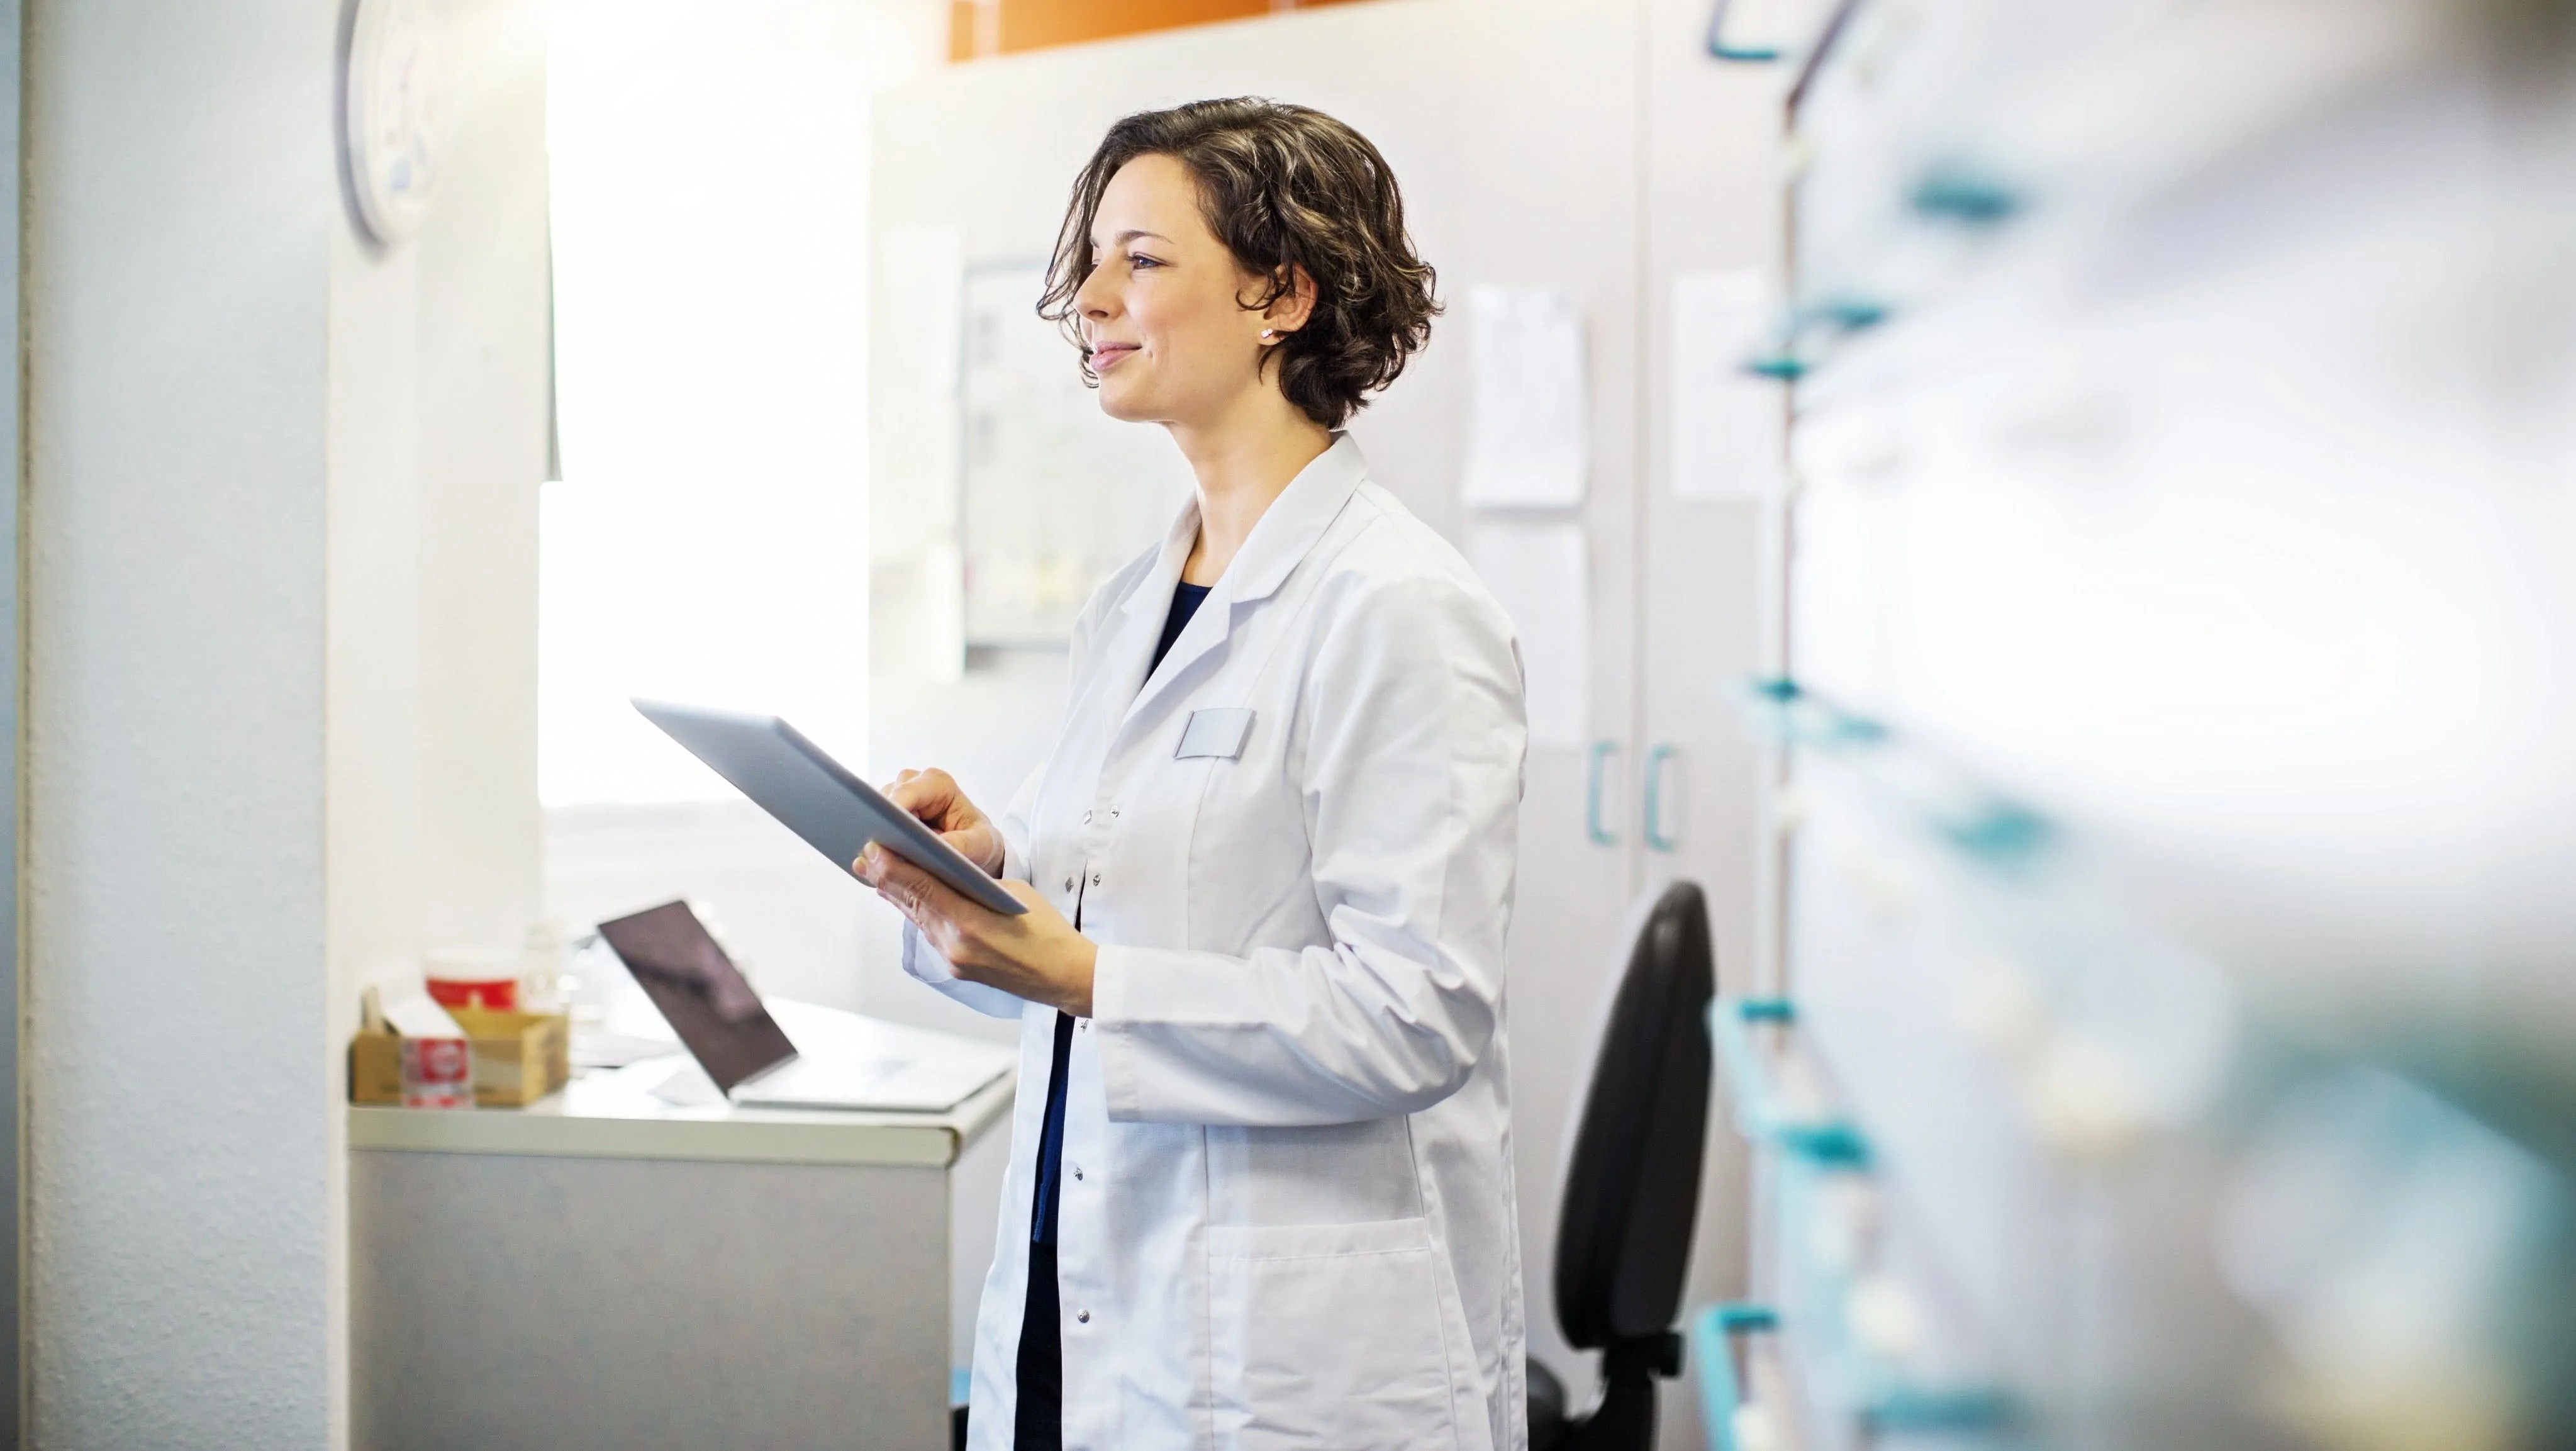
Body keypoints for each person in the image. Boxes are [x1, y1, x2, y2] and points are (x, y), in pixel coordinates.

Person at [856, 98, 1529, 1451]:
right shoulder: (1135, 599)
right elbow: (1139, 882)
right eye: (1095, 259)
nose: (1089, 298)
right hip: (1085, 1287)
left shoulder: (1393, 604)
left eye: (1141, 260)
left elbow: (1417, 1012)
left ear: (1280, 293)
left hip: (1282, 1360)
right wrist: (992, 871)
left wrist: (1086, 973)